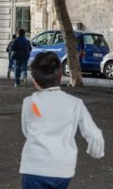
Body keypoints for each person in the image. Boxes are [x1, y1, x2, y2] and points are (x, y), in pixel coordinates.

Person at [20, 52, 105, 189]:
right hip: (62, 168)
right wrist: (96, 152)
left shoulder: (30, 103)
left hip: (34, 166)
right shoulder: (75, 103)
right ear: (60, 77)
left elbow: (26, 131)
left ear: (34, 80)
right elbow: (94, 134)